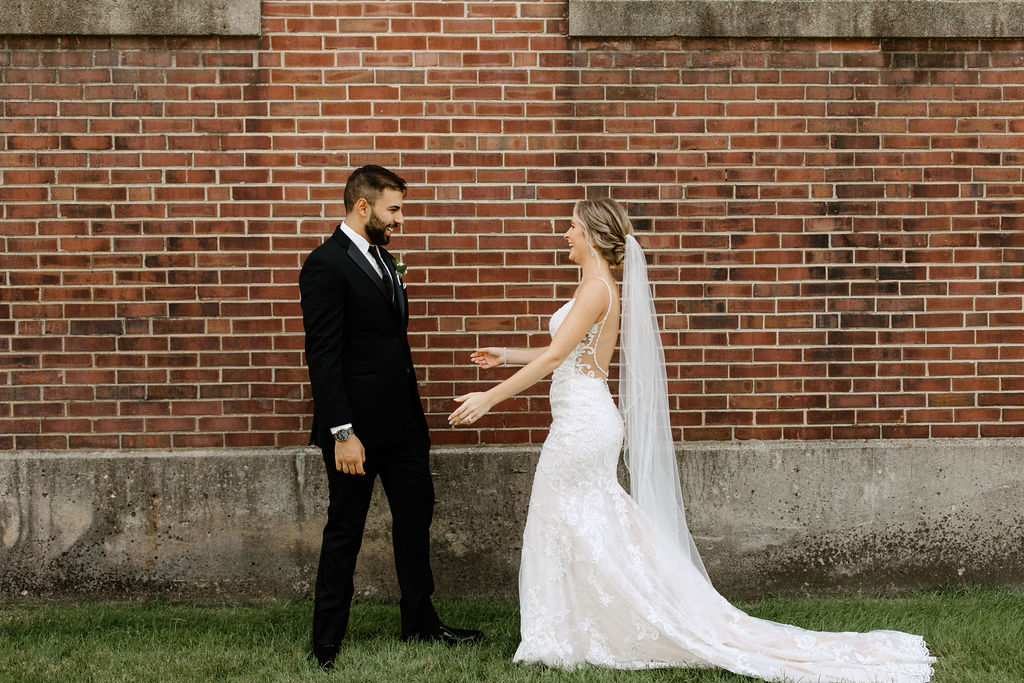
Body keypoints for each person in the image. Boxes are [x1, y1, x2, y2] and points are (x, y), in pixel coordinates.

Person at [449, 197, 935, 682]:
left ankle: (574, 629)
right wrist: (507, 354)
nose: (565, 235)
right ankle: (577, 625)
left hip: (582, 425)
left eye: (571, 227)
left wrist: (491, 397)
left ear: (594, 236)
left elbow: (556, 359)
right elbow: (565, 351)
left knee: (565, 517)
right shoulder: (595, 286)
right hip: (585, 419)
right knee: (584, 521)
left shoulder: (596, 287)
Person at [300, 165, 483, 669]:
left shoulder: (382, 258)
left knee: (414, 521)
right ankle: (326, 643)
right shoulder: (325, 265)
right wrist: (342, 432)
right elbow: (324, 356)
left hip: (404, 426)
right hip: (355, 432)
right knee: (345, 530)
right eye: (393, 209)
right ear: (364, 207)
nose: (399, 219)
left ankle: (420, 622)